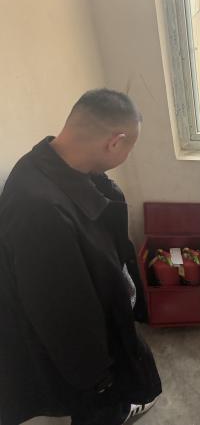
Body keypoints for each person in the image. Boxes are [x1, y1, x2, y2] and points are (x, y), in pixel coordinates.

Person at [0, 90, 161, 425]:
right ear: (115, 142)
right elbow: (61, 314)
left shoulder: (53, 163)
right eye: (130, 147)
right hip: (86, 352)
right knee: (100, 408)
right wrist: (97, 377)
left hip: (101, 318)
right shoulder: (40, 212)